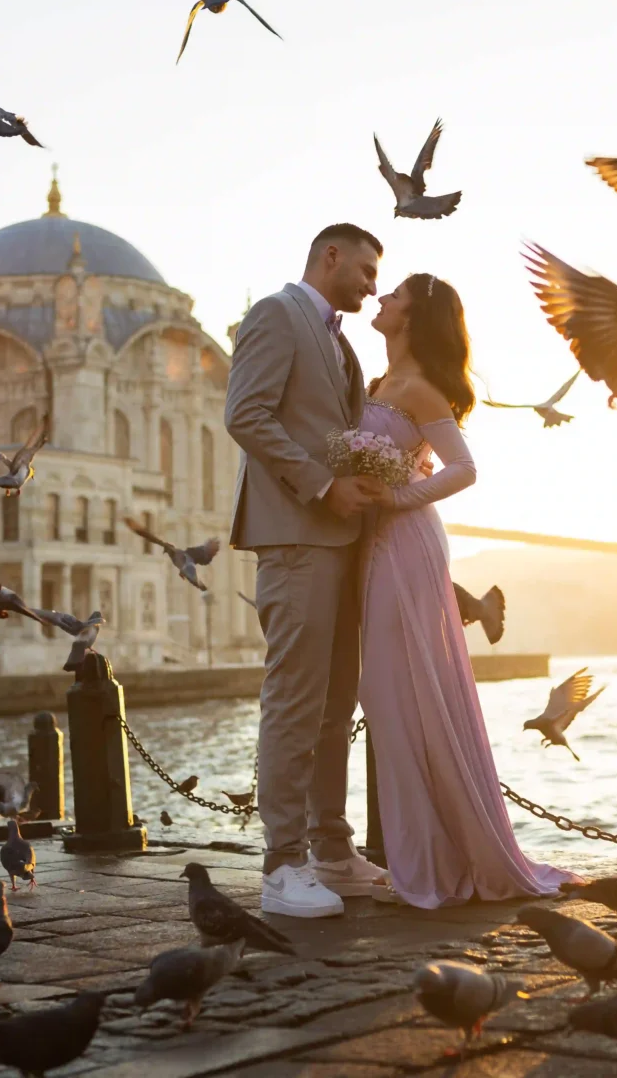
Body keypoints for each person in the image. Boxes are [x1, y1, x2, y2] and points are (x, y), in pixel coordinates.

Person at [360, 273, 583, 907]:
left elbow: (464, 468)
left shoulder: (418, 388)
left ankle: (430, 866)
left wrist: (399, 495)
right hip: (371, 547)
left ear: (414, 316)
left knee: (409, 694)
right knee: (386, 697)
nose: (381, 299)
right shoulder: (376, 384)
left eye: (394, 294)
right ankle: (421, 856)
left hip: (404, 546)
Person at [224, 223, 396, 917]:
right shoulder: (275, 314)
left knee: (335, 705)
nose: (371, 284)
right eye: (364, 268)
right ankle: (280, 866)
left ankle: (330, 849)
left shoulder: (341, 341)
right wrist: (323, 486)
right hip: (295, 535)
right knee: (295, 701)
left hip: (341, 540)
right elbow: (246, 414)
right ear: (330, 256)